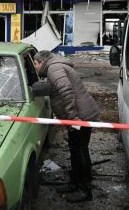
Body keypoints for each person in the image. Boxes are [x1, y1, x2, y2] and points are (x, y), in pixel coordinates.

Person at [33, 50, 100, 203]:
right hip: (79, 115)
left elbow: (66, 91)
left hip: (79, 117)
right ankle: (74, 182)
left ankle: (84, 190)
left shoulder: (53, 68)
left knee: (80, 151)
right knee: (76, 149)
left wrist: (72, 118)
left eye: (35, 64)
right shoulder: (54, 66)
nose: (35, 67)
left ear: (41, 62)